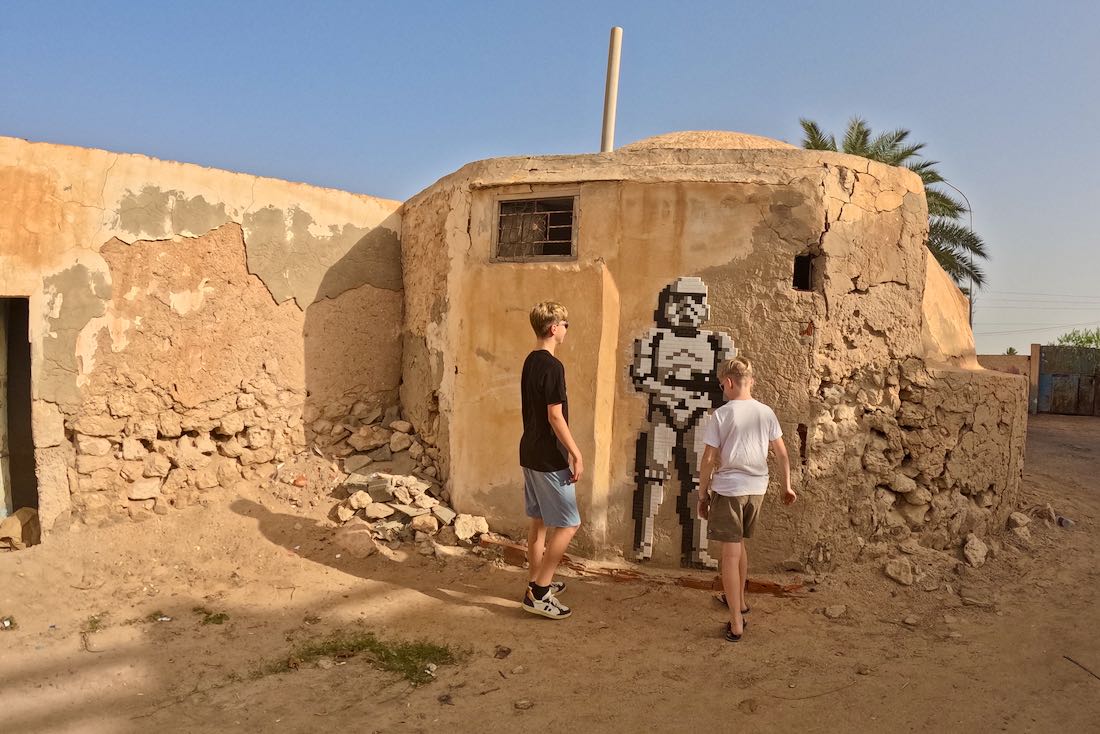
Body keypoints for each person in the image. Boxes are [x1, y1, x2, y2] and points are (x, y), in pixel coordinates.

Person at [697, 357, 796, 641]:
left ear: (729, 382)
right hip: (756, 489)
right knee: (738, 543)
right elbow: (781, 453)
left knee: (729, 554)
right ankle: (738, 601)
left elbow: (708, 459)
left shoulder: (722, 415)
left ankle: (736, 622)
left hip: (730, 489)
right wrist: (787, 486)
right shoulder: (766, 412)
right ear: (750, 381)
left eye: (722, 385)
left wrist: (702, 494)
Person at [519, 301, 583, 620]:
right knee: (570, 523)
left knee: (539, 521)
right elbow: (555, 416)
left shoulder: (530, 361)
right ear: (553, 328)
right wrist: (575, 452)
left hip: (529, 451)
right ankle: (541, 592)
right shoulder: (553, 366)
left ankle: (535, 582)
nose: (567, 330)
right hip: (548, 457)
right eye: (565, 324)